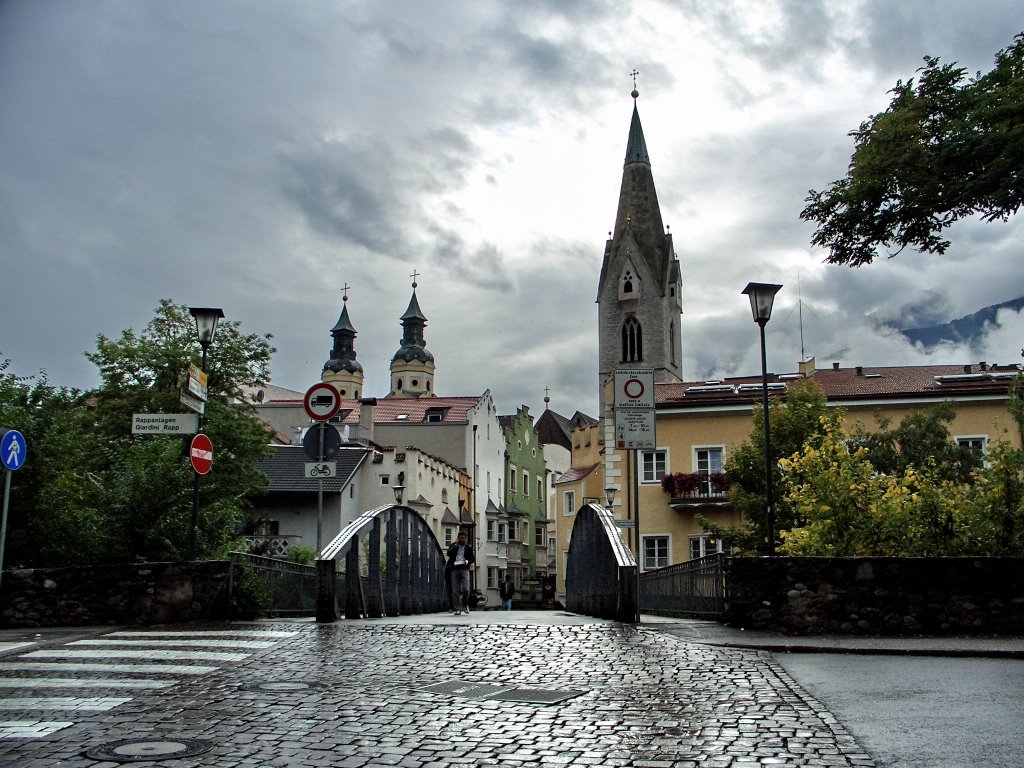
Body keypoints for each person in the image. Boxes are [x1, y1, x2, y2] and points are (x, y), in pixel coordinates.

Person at [445, 530, 475, 615]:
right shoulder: (453, 546)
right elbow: (448, 553)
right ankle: (457, 608)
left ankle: (465, 605)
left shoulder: (468, 548)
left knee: (466, 589)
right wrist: (456, 546)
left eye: (463, 538)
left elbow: (472, 559)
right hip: (454, 569)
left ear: (466, 539)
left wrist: (467, 562)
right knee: (455, 590)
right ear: (458, 538)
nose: (461, 539)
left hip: (464, 569)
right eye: (460, 538)